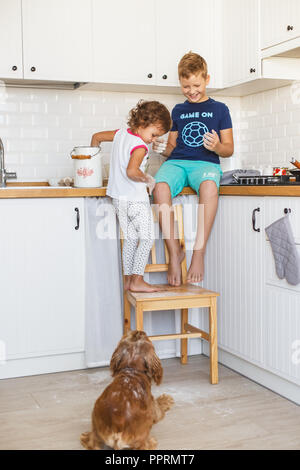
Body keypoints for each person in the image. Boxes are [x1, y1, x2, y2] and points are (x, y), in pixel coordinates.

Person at [153, 52, 234, 286]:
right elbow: (172, 147)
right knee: (160, 187)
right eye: (186, 86)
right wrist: (161, 149)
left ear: (207, 79)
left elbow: (228, 149)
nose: (191, 90)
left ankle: (198, 253)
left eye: (196, 85)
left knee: (209, 187)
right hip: (177, 162)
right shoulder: (177, 110)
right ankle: (174, 252)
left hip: (206, 164)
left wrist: (217, 146)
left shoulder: (220, 109)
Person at [91, 100, 172, 293]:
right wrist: (148, 179)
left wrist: (93, 163)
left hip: (118, 198)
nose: (153, 140)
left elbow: (96, 137)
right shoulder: (140, 146)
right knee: (147, 238)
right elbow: (131, 171)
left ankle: (128, 280)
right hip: (134, 199)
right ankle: (138, 279)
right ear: (143, 122)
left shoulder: (120, 134)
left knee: (130, 238)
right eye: (154, 134)